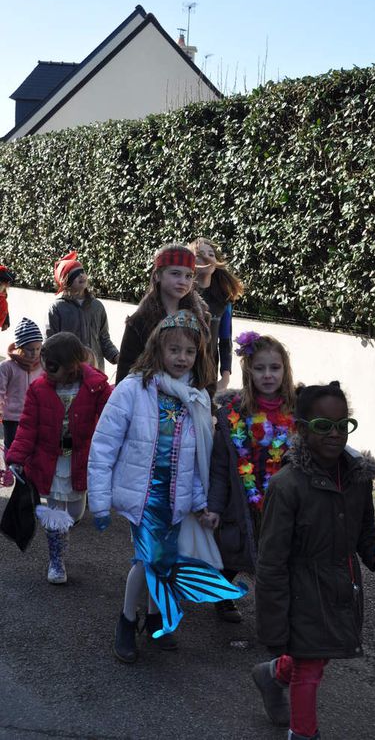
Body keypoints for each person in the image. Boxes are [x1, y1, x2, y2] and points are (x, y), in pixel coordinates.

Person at [87, 310, 247, 664]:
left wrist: (203, 501)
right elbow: (104, 445)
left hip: (176, 501)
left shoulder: (195, 399)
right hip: (142, 498)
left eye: (189, 352)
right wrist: (98, 500)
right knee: (149, 560)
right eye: (174, 350)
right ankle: (128, 621)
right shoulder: (133, 389)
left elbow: (197, 460)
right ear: (157, 349)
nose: (181, 358)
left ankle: (156, 619)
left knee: (165, 560)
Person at [252, 381, 375, 740]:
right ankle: (303, 733)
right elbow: (271, 563)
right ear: (302, 428)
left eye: (343, 425)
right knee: (309, 670)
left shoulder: (357, 479)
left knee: (315, 655)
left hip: (339, 587)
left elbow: (364, 532)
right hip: (299, 591)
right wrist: (274, 627)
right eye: (324, 426)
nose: (335, 434)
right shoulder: (287, 486)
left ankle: (273, 674)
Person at [6, 332, 112, 583]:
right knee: (55, 514)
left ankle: (62, 533)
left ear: (73, 365)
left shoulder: (96, 387)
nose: (47, 373)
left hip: (80, 461)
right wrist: (16, 457)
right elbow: (27, 426)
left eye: (53, 368)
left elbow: (112, 420)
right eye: (45, 367)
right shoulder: (38, 389)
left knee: (75, 512)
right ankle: (56, 561)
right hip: (49, 462)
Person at [207, 332, 296, 622]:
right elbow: (220, 467)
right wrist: (216, 507)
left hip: (281, 502)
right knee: (233, 556)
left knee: (277, 557)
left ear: (285, 370)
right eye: (260, 368)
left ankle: (274, 613)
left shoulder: (297, 413)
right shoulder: (233, 415)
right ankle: (221, 593)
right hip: (241, 499)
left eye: (275, 368)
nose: (268, 375)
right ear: (248, 372)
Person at [116, 244, 209, 384]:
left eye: (188, 276)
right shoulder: (139, 321)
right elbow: (125, 373)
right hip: (147, 397)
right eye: (175, 274)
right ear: (158, 275)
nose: (183, 282)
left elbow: (208, 367)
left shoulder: (200, 319)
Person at [46, 251, 119, 373]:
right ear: (65, 281)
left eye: (82, 272)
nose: (81, 276)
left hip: (95, 373)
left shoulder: (97, 306)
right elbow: (49, 343)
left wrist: (116, 356)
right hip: (68, 374)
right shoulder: (56, 308)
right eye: (75, 274)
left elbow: (104, 339)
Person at [189, 237, 244, 390]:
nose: (206, 258)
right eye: (199, 255)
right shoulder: (183, 294)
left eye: (211, 254)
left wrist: (225, 378)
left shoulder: (223, 299)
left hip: (209, 372)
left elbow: (225, 340)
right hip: (181, 369)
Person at [0, 318, 44, 452]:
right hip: (12, 418)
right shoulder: (7, 366)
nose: (35, 353)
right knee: (12, 448)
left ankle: (27, 472)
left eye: (38, 348)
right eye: (30, 349)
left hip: (36, 416)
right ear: (20, 347)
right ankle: (9, 471)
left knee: (33, 449)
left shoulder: (43, 366)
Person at [0, 265, 16, 331]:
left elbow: (4, 308)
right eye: (6, 282)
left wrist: (6, 321)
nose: (8, 285)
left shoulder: (3, 295)